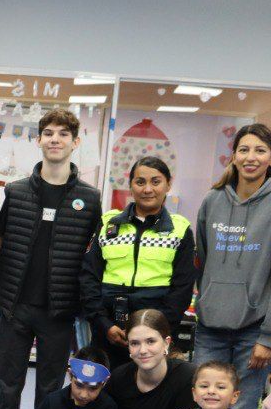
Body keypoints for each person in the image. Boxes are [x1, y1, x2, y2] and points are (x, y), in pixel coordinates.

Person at [0, 108, 103, 409]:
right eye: (49, 133)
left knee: (50, 390)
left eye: (63, 134)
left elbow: (94, 254)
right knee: (8, 387)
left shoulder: (90, 199)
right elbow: (3, 241)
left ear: (75, 142)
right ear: (39, 140)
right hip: (14, 307)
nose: (55, 139)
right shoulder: (16, 191)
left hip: (59, 310)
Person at [193, 123, 271, 409]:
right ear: (234, 156)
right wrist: (208, 299)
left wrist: (270, 337)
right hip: (210, 328)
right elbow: (203, 260)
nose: (250, 157)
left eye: (260, 150)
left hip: (254, 332)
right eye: (243, 149)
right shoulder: (212, 200)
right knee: (204, 407)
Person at [80, 156, 195, 367]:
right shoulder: (108, 224)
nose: (147, 189)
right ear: (131, 186)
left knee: (149, 387)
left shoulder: (180, 229)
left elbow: (183, 287)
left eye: (156, 182)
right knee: (105, 385)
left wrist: (156, 331)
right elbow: (89, 276)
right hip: (107, 331)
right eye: (140, 182)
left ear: (168, 185)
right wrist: (104, 324)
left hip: (155, 336)